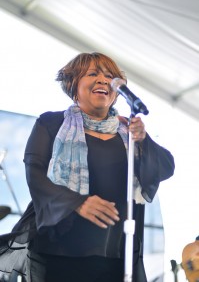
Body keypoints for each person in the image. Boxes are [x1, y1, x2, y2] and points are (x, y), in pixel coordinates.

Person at [0, 52, 175, 282]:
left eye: (110, 77)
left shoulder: (128, 133)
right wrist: (77, 202)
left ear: (116, 94)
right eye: (93, 74)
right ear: (74, 85)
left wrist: (143, 141)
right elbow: (35, 176)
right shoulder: (51, 123)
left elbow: (165, 167)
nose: (103, 80)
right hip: (59, 254)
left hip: (115, 257)